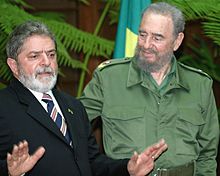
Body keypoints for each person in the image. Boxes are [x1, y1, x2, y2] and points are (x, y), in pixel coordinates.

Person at [0, 20, 168, 176]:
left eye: (51, 54)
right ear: (14, 65)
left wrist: (128, 169)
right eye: (35, 56)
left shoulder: (73, 105)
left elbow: (92, 163)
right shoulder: (4, 107)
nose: (46, 62)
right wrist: (10, 172)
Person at [80, 2, 220, 176]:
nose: (146, 45)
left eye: (157, 38)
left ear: (177, 41)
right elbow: (72, 127)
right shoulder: (108, 79)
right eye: (142, 34)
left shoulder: (199, 85)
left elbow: (207, 155)